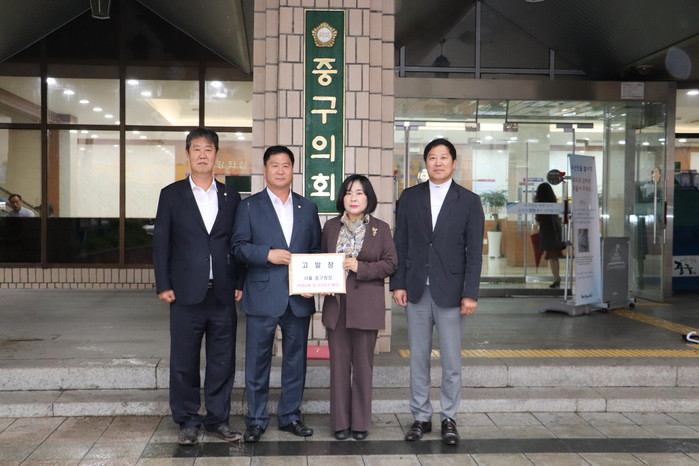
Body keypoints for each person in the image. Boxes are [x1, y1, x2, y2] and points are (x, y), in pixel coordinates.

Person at [390, 138, 484, 446]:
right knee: (418, 357)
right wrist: (398, 283)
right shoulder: (410, 197)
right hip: (416, 290)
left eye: (444, 157)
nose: (438, 162)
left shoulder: (469, 201)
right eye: (432, 157)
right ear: (426, 163)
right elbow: (400, 242)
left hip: (453, 292)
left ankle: (449, 417)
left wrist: (470, 293)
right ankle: (421, 416)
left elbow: (474, 251)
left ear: (454, 163)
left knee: (451, 361)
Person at [152, 127, 243, 446]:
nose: (203, 155)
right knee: (184, 361)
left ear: (217, 155)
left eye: (208, 149)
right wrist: (163, 283)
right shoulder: (171, 194)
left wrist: (239, 281)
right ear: (188, 154)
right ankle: (188, 420)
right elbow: (161, 242)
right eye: (197, 149)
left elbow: (238, 242)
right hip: (185, 292)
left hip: (222, 292)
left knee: (222, 361)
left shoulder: (231, 197)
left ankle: (218, 419)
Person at [232, 145, 322, 443]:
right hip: (262, 294)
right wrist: (266, 254)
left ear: (293, 170)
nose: (280, 170)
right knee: (257, 362)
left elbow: (315, 250)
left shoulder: (307, 207)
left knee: (295, 361)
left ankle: (290, 416)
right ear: (265, 169)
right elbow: (238, 246)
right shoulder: (249, 206)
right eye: (275, 165)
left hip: (298, 298)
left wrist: (311, 283)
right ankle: (256, 419)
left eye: (286, 165)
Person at [321, 175, 397, 441]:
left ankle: (361, 423)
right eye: (349, 192)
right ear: (342, 197)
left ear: (368, 198)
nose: (353, 198)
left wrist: (360, 267)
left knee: (363, 368)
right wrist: (322, 282)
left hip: (366, 306)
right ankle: (340, 423)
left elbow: (391, 264)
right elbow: (321, 260)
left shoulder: (380, 228)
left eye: (360, 193)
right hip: (337, 306)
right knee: (339, 367)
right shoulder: (330, 227)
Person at [534, 182, 564, 288]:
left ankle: (556, 278)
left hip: (547, 231)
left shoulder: (540, 204)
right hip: (555, 230)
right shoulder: (553, 203)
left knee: (552, 256)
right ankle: (556, 277)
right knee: (554, 256)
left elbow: (538, 218)